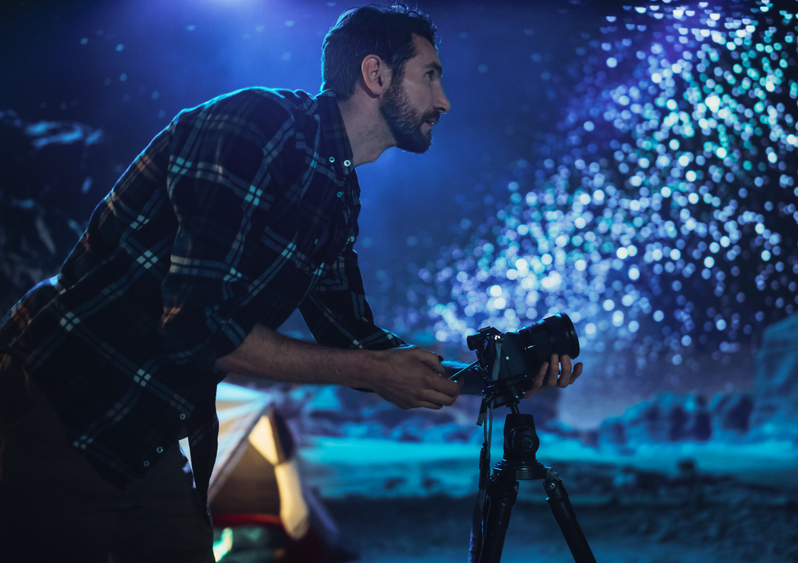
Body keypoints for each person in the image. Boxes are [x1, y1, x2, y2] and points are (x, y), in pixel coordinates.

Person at [0, 4, 583, 561]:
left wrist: (495, 377)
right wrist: (371, 370)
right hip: (63, 402)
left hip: (148, 433)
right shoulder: (254, 125)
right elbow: (197, 327)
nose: (444, 100)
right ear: (376, 75)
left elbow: (355, 340)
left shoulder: (336, 190)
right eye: (430, 75)